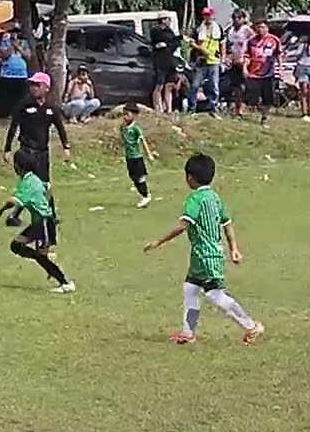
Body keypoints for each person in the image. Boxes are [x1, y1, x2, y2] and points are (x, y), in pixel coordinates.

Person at [143, 153, 265, 346]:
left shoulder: (195, 199)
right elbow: (227, 223)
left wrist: (159, 241)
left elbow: (183, 225)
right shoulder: (215, 198)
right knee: (190, 288)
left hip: (206, 256)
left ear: (190, 177)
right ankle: (188, 333)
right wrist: (234, 248)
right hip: (203, 255)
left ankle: (251, 326)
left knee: (214, 295)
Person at [0, 150, 75, 294]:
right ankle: (43, 258)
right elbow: (48, 187)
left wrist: (1, 211)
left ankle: (65, 283)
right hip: (40, 222)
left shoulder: (27, 183)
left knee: (41, 255)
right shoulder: (34, 178)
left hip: (43, 222)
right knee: (16, 245)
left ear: (19, 166)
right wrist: (45, 204)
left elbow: (13, 201)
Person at [2, 72, 70, 230]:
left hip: (42, 152)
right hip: (26, 152)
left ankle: (48, 214)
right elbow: (13, 126)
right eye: (32, 85)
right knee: (31, 185)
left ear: (46, 88)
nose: (34, 88)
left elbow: (60, 127)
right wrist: (7, 149)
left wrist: (66, 146)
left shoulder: (51, 107)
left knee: (44, 185)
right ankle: (20, 215)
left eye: (38, 85)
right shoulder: (24, 105)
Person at [241, 19, 280, 126]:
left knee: (268, 98)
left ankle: (265, 117)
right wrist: (245, 68)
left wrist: (280, 68)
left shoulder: (274, 40)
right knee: (249, 96)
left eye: (262, 27)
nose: (260, 29)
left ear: (267, 28)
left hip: (268, 73)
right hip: (254, 73)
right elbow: (247, 56)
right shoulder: (251, 41)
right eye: (258, 27)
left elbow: (278, 54)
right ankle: (240, 115)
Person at [120, 102, 157, 209]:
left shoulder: (136, 128)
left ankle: (146, 196)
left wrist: (149, 154)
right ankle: (144, 195)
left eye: (127, 114)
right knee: (133, 177)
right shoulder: (123, 128)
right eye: (124, 114)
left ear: (134, 115)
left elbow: (142, 141)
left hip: (137, 157)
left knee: (140, 177)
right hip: (129, 157)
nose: (125, 117)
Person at [187, 7, 223, 116]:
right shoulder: (198, 29)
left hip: (214, 60)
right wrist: (200, 49)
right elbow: (191, 42)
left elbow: (222, 43)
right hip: (201, 61)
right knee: (195, 85)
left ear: (212, 15)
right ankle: (191, 108)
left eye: (208, 15)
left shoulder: (218, 28)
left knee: (214, 86)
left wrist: (223, 58)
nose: (207, 17)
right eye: (205, 15)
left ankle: (213, 108)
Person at [149, 13, 181, 114]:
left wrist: (167, 44)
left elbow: (176, 43)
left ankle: (169, 109)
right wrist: (166, 44)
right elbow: (157, 42)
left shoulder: (169, 31)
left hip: (169, 60)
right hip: (160, 61)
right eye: (167, 19)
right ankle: (157, 108)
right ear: (162, 20)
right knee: (159, 86)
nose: (169, 21)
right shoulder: (155, 30)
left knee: (169, 85)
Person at [224, 10, 254, 116]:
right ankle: (238, 108)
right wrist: (227, 57)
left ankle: (247, 106)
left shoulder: (247, 30)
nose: (236, 20)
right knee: (236, 87)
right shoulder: (230, 30)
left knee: (247, 85)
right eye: (234, 18)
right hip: (234, 61)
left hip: (245, 61)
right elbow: (227, 45)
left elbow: (254, 44)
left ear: (243, 19)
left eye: (239, 18)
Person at [294, 34, 310, 121]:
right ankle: (304, 112)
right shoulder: (303, 46)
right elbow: (297, 56)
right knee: (304, 91)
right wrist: (304, 50)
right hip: (303, 67)